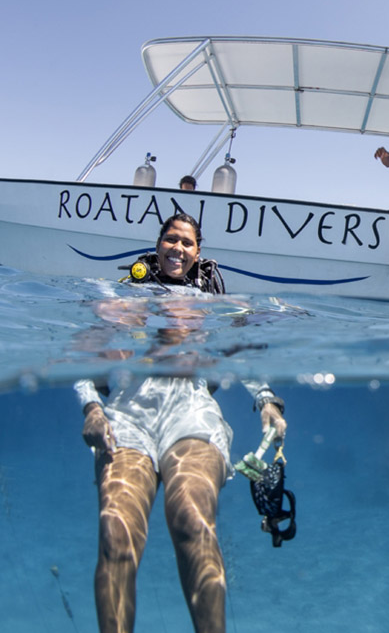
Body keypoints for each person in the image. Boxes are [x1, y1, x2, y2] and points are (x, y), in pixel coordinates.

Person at [77, 213, 286, 633]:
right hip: (127, 414)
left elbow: (239, 349)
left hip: (191, 410)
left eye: (187, 242)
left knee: (192, 523)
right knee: (116, 538)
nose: (178, 248)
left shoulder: (211, 303)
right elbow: (85, 353)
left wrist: (266, 400)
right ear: (158, 244)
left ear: (198, 252)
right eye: (171, 239)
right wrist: (92, 408)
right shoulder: (125, 296)